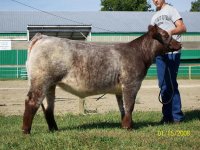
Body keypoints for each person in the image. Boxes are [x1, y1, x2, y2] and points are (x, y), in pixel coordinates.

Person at [151, 0, 187, 124]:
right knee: (163, 85)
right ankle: (167, 117)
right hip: (160, 55)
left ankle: (177, 116)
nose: (155, 1)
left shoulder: (171, 10)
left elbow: (182, 27)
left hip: (172, 52)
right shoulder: (154, 17)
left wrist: (170, 32)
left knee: (171, 84)